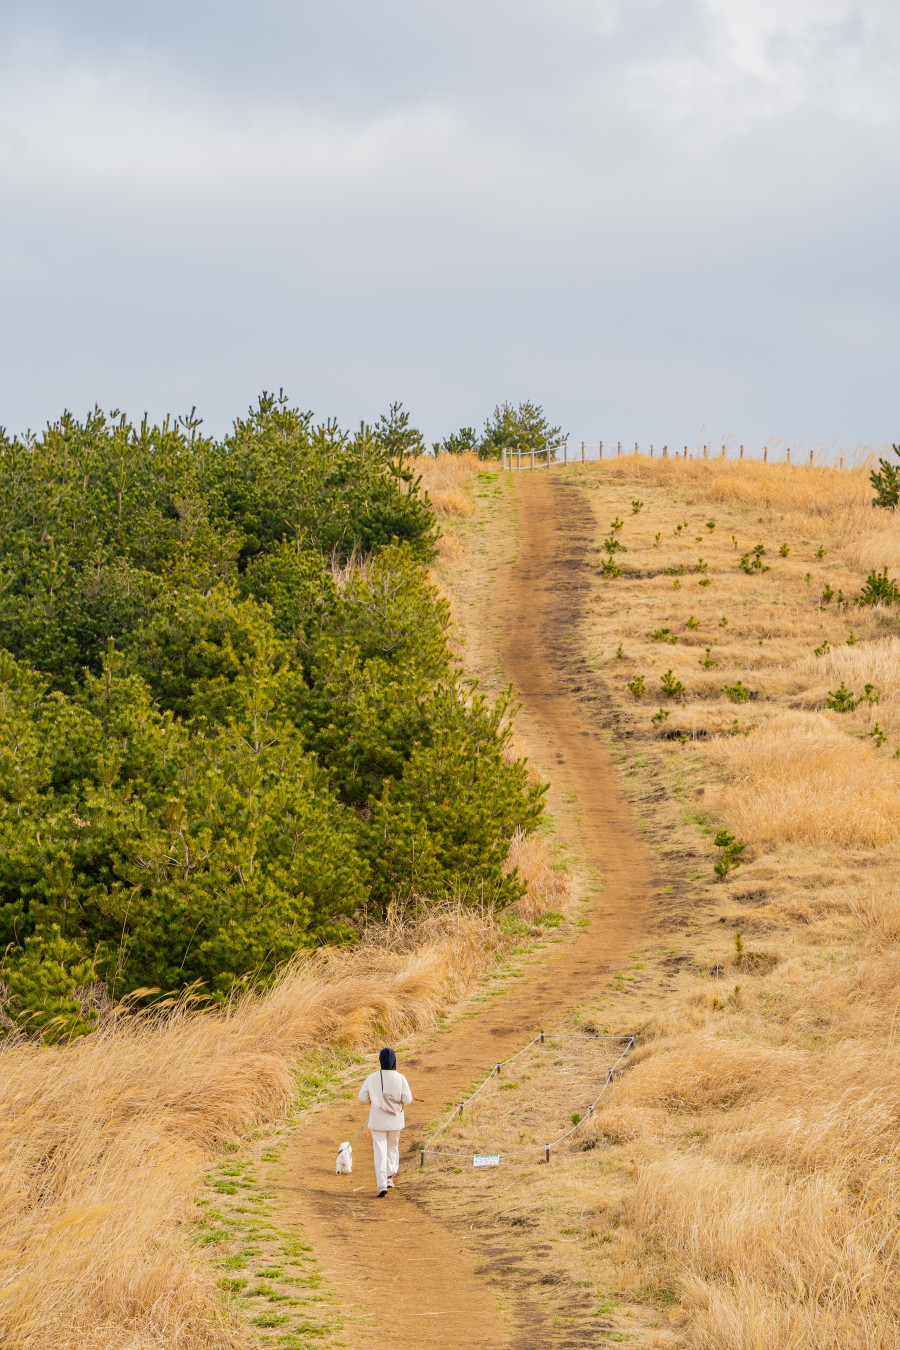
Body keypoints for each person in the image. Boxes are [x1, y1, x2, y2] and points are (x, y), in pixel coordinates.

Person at [358, 1047, 413, 1197]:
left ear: (380, 1060)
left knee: (380, 1151)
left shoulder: (372, 1077)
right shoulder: (400, 1078)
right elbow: (407, 1099)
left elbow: (362, 1098)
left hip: (377, 1121)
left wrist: (376, 1102)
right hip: (395, 1120)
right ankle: (389, 1177)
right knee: (392, 1147)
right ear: (394, 1060)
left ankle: (381, 1183)